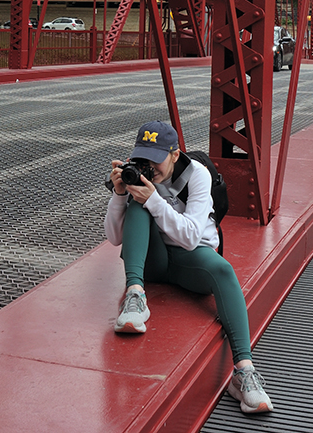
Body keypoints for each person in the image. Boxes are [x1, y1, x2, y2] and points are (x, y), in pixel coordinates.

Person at [105, 120, 274, 414]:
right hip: (152, 261)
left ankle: (244, 371)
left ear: (174, 154)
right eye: (144, 159)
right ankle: (135, 295)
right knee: (137, 206)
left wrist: (154, 200)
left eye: (156, 160)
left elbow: (191, 237)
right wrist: (120, 196)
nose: (150, 168)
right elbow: (114, 238)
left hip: (190, 259)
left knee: (223, 270)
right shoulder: (139, 175)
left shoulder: (197, 174)